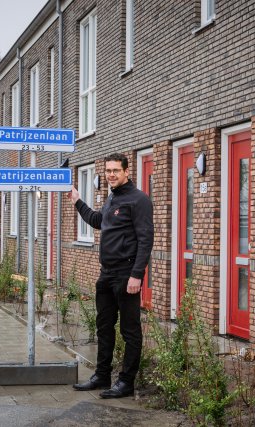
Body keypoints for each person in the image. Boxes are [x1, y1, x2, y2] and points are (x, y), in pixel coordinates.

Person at [69, 153, 154, 399]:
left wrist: (137, 275)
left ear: (127, 171)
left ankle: (126, 382)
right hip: (106, 274)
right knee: (104, 326)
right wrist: (77, 201)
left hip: (126, 274)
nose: (111, 175)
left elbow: (146, 239)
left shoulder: (139, 200)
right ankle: (102, 375)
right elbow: (98, 221)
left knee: (130, 330)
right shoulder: (112, 198)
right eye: (108, 171)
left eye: (116, 170)